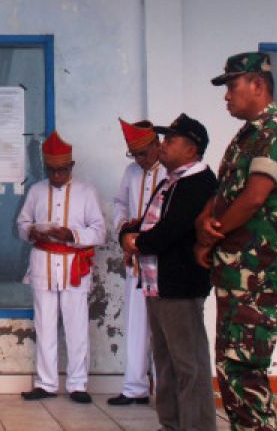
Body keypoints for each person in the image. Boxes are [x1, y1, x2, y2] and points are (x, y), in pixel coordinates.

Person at [195, 52, 277, 431]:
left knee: (244, 369)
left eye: (232, 86)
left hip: (259, 273)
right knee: (231, 366)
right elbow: (229, 189)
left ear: (258, 85)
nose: (227, 96)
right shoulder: (248, 136)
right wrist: (204, 220)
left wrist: (213, 233)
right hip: (237, 272)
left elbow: (255, 196)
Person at [121, 114, 218, 431]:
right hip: (156, 286)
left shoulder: (199, 183)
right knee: (165, 362)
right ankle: (171, 424)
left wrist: (138, 242)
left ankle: (196, 426)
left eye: (170, 141)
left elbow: (172, 231)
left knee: (188, 365)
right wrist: (128, 235)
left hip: (180, 288)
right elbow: (147, 223)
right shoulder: (170, 181)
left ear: (191, 149)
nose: (162, 146)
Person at [17, 131, 106, 404]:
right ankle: (46, 383)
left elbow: (100, 231)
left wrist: (74, 236)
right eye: (52, 170)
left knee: (76, 326)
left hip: (74, 266)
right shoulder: (35, 191)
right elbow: (22, 224)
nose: (57, 175)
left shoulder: (86, 191)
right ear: (46, 168)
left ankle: (78, 385)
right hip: (43, 263)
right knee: (44, 325)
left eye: (62, 170)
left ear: (72, 167)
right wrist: (33, 231)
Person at [107, 118, 165, 406]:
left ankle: (165, 389)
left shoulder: (170, 171)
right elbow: (119, 203)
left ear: (157, 144)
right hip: (136, 259)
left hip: (164, 260)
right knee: (136, 322)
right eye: (134, 154)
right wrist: (122, 227)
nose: (139, 160)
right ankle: (134, 387)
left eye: (143, 153)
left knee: (163, 327)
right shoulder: (130, 173)